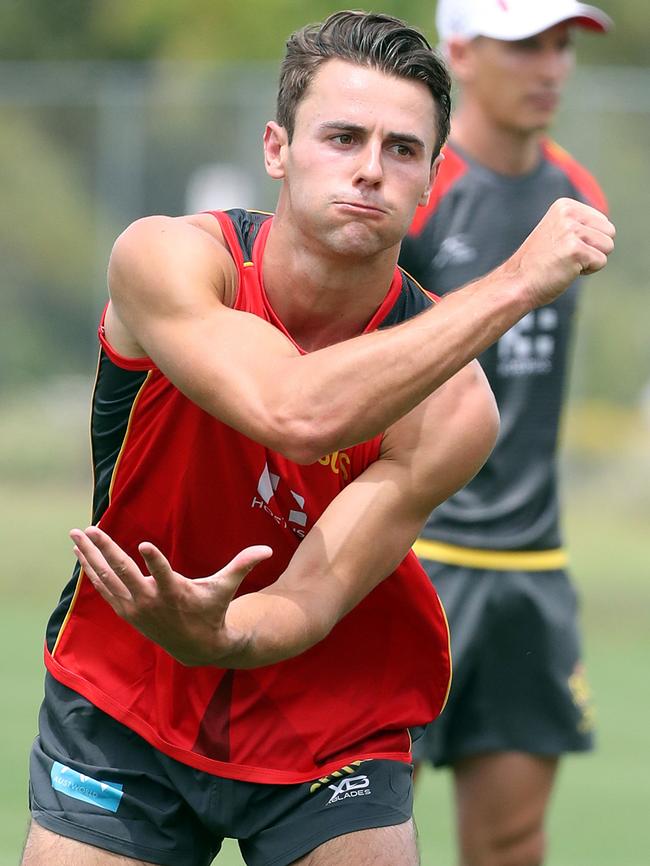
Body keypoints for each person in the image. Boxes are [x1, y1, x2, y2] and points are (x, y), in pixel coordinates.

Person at [22, 10, 614, 866]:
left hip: (332, 714)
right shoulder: (171, 261)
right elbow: (295, 414)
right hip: (124, 689)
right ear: (277, 149)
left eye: (402, 150)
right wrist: (518, 283)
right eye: (342, 137)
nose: (370, 170)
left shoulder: (456, 408)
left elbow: (315, 594)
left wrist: (223, 636)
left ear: (430, 177)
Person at [398, 1, 612, 864]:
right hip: (407, 555)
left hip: (531, 565)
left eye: (562, 45)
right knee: (360, 835)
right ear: (461, 52)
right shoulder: (410, 194)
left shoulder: (578, 194)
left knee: (514, 843)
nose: (551, 66)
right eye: (526, 44)